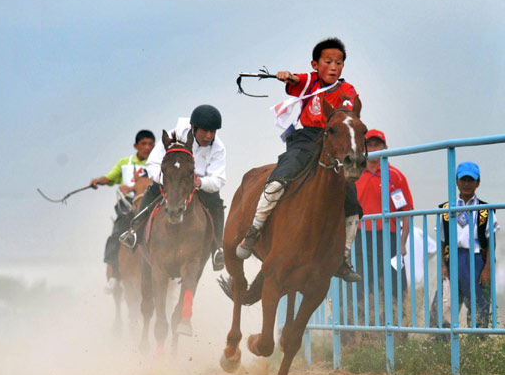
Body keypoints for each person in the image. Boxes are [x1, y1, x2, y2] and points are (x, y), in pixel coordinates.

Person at [236, 37, 363, 283]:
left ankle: (343, 258)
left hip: (333, 143)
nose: (334, 67)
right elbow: (296, 79)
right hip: (305, 140)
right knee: (277, 181)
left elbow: (347, 112)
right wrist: (287, 76)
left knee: (353, 207)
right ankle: (255, 230)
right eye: (328, 61)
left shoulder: (348, 90)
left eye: (339, 62)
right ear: (315, 64)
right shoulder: (309, 81)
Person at [119, 104, 226, 271]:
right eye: (205, 131)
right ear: (193, 127)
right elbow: (152, 164)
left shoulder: (218, 148)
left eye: (213, 131)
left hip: (199, 185)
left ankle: (218, 249)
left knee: (217, 204)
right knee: (150, 192)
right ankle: (134, 232)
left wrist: (200, 183)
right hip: (169, 181)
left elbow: (218, 179)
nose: (209, 136)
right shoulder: (172, 135)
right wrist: (167, 180)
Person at [434, 161, 499, 328]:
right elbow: (442, 240)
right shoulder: (446, 209)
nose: (466, 184)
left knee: (479, 307)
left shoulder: (486, 209)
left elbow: (492, 240)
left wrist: (487, 269)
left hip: (476, 261)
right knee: (442, 305)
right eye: (463, 179)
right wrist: (442, 264)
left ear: (478, 182)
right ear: (456, 181)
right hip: (452, 259)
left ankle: (476, 346)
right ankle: (440, 346)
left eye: (471, 180)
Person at [89, 130, 155, 292]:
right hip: (128, 206)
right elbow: (110, 177)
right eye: (144, 144)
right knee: (116, 235)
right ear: (136, 146)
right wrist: (98, 181)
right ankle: (115, 276)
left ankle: (170, 272)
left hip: (151, 205)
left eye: (150, 144)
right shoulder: (125, 163)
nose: (147, 147)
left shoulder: (156, 163)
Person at [354, 129, 413, 297]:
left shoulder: (395, 176)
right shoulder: (354, 174)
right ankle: (358, 319)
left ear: (385, 147)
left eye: (377, 145)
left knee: (394, 284)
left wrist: (402, 243)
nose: (373, 149)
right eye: (369, 145)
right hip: (360, 237)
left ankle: (398, 319)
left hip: (388, 237)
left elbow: (406, 211)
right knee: (360, 284)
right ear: (362, 148)